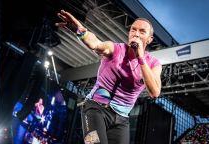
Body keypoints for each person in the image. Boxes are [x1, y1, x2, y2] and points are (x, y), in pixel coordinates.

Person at [55, 9, 162, 144]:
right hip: (94, 109)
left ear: (149, 39)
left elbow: (155, 92)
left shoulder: (153, 64)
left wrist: (141, 57)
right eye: (133, 30)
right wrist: (80, 31)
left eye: (142, 32)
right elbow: (96, 43)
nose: (136, 34)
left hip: (121, 119)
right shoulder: (115, 49)